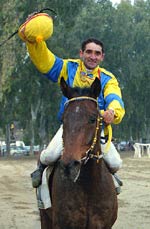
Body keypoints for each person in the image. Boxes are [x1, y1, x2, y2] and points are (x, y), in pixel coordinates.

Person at [19, 19, 125, 194]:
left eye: (97, 53)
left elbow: (115, 97)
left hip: (95, 128)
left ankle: (111, 179)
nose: (93, 56)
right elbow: (46, 61)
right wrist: (33, 40)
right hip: (71, 127)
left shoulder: (108, 78)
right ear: (81, 53)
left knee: (115, 163)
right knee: (50, 155)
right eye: (89, 52)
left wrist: (113, 112)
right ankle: (40, 170)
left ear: (102, 57)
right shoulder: (68, 67)